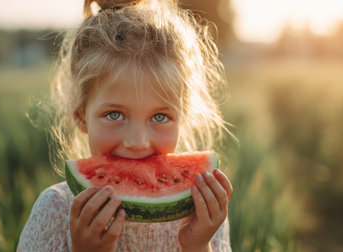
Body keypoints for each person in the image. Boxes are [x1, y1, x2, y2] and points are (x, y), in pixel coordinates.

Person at [17, 0, 233, 251]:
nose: (137, 141)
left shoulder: (199, 213)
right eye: (115, 115)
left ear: (182, 118)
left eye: (159, 117)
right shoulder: (55, 210)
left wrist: (198, 245)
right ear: (81, 116)